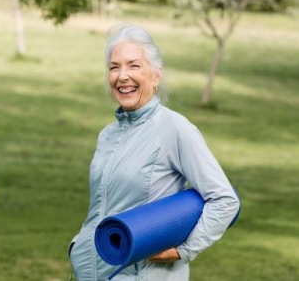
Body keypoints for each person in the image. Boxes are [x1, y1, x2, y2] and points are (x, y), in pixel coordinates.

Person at [68, 24, 240, 280]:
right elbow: (102, 206)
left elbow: (225, 200)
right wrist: (78, 244)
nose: (122, 76)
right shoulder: (107, 135)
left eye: (134, 65)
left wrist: (183, 250)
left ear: (156, 76)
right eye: (114, 67)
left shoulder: (175, 129)